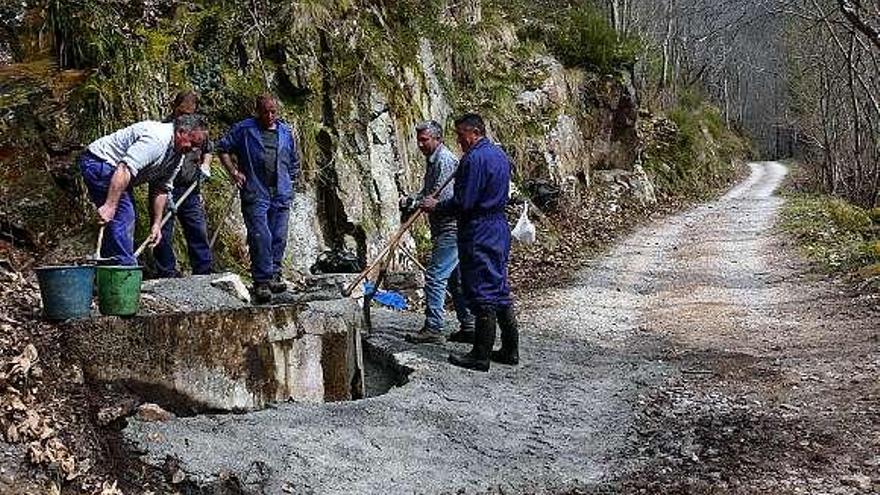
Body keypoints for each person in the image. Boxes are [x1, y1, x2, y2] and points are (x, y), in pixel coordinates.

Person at [421, 113, 519, 372]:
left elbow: (464, 202)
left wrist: (436, 206)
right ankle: (510, 350)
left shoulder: (474, 159)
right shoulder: (499, 155)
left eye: (460, 135)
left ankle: (480, 354)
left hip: (480, 228)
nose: (459, 141)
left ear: (473, 132)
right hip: (498, 226)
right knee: (499, 287)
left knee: (482, 289)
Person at [79, 114, 209, 266]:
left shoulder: (177, 155)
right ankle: (124, 269)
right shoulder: (156, 140)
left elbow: (161, 188)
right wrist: (109, 205)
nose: (193, 149)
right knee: (123, 213)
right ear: (181, 132)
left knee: (123, 214)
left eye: (196, 147)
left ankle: (110, 269)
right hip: (100, 162)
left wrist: (156, 224)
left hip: (118, 173)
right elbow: (124, 168)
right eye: (192, 143)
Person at [217, 94, 300, 304]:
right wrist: (234, 172)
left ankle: (274, 275)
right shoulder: (245, 129)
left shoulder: (285, 132)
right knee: (260, 235)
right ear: (258, 111)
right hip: (256, 190)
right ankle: (261, 281)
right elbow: (223, 148)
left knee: (279, 235)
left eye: (273, 112)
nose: (270, 116)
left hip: (280, 192)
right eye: (265, 112)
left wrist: (291, 183)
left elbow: (293, 161)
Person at [403, 120, 475, 344]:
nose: (420, 144)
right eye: (419, 140)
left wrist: (425, 204)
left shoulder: (445, 161)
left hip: (451, 228)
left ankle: (434, 327)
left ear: (438, 139)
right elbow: (428, 192)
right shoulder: (433, 161)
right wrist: (412, 201)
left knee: (434, 276)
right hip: (446, 228)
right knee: (456, 280)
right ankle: (469, 326)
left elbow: (443, 199)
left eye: (425, 140)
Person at [152, 91, 214, 277]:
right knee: (163, 230)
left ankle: (203, 272)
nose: (185, 116)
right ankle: (166, 272)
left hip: (190, 188)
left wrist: (205, 165)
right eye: (182, 112)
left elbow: (208, 149)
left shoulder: (197, 129)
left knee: (197, 230)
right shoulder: (164, 128)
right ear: (175, 107)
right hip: (162, 188)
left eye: (189, 113)